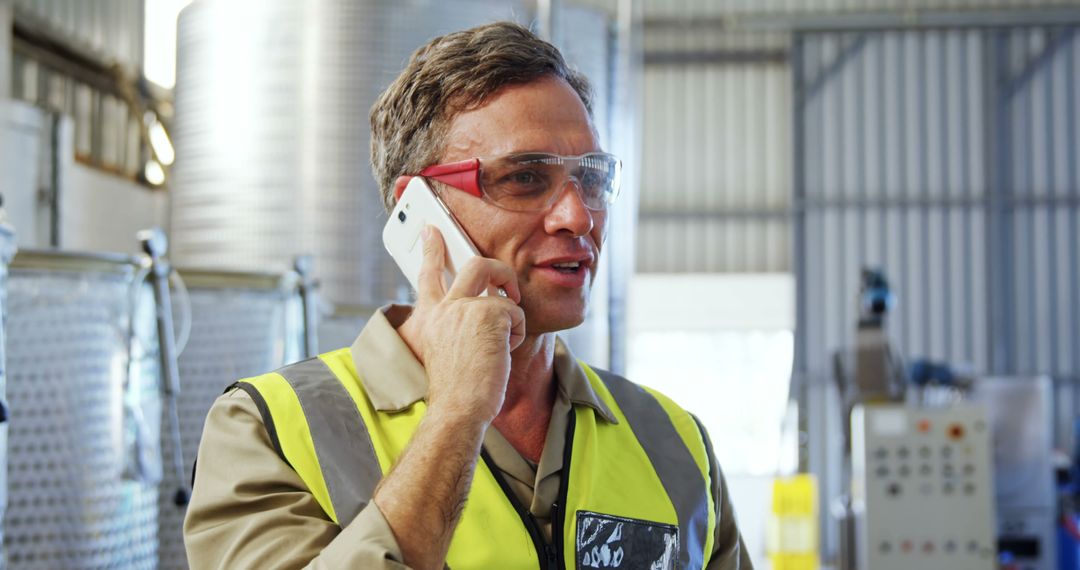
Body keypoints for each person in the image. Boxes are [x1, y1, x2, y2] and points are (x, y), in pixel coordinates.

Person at [184, 21, 751, 570]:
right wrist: (456, 414)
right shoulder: (269, 430)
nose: (578, 216)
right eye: (525, 177)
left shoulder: (675, 443)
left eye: (593, 178)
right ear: (420, 211)